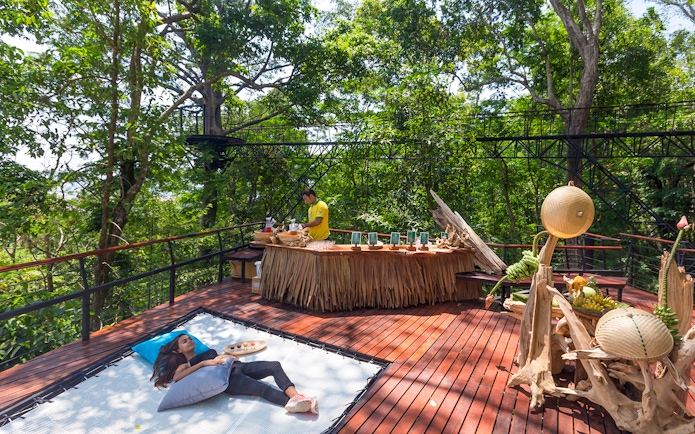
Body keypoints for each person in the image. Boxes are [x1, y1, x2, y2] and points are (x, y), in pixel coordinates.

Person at [150, 334, 318, 414]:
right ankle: (296, 405)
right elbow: (177, 378)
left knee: (274, 366)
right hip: (231, 379)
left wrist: (227, 356)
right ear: (178, 349)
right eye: (184, 341)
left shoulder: (208, 351)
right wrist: (203, 363)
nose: (189, 341)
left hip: (239, 367)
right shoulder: (185, 364)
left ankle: (296, 397)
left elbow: (233, 358)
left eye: (190, 338)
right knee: (262, 389)